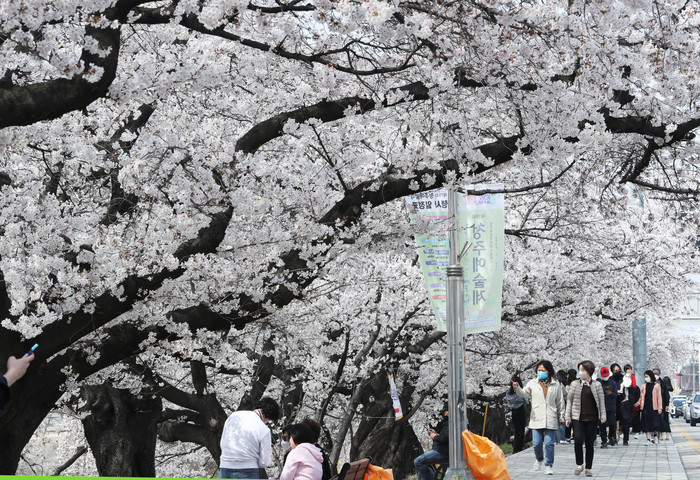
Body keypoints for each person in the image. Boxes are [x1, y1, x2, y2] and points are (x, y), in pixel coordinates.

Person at [512, 360, 565, 476]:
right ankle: (539, 459)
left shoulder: (556, 384)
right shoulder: (532, 383)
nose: (540, 372)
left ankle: (549, 465)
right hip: (536, 417)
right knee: (536, 443)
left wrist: (562, 417)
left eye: (543, 370)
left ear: (549, 371)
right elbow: (524, 394)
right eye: (539, 370)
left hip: (551, 416)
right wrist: (517, 388)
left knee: (549, 443)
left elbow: (560, 402)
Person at [219, 397, 281, 479]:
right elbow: (265, 462)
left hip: (225, 465)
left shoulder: (234, 416)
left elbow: (222, 443)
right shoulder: (263, 429)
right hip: (248, 469)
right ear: (269, 416)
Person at [565, 360, 606, 477]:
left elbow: (601, 402)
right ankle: (579, 464)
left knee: (589, 443)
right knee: (577, 440)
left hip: (592, 418)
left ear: (589, 371)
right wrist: (567, 417)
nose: (580, 372)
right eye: (580, 370)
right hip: (577, 417)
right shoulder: (574, 384)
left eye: (583, 370)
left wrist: (603, 415)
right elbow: (569, 401)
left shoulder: (596, 385)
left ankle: (588, 468)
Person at [414, 403, 449, 480]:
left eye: (444, 412)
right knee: (423, 464)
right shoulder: (450, 423)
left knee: (418, 462)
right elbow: (446, 437)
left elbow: (444, 439)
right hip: (442, 450)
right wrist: (436, 434)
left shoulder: (451, 424)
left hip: (442, 452)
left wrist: (435, 436)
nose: (444, 414)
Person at [636, 370, 662, 445]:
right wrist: (638, 403)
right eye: (645, 377)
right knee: (646, 423)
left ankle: (655, 437)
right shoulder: (644, 386)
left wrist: (660, 408)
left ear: (651, 376)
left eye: (647, 376)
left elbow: (659, 398)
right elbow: (641, 396)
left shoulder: (657, 386)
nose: (646, 378)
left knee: (655, 424)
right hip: (645, 407)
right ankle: (648, 439)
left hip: (654, 407)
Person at [506, 375, 529, 453]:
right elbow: (526, 400)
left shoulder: (509, 392)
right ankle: (519, 447)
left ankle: (515, 448)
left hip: (513, 411)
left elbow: (508, 401)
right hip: (521, 410)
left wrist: (513, 404)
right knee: (521, 430)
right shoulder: (519, 391)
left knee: (516, 430)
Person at [597, 366, 618, 448]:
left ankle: (611, 437)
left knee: (612, 424)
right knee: (602, 425)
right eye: (604, 376)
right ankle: (604, 441)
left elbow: (616, 395)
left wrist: (610, 393)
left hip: (611, 407)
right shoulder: (599, 384)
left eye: (606, 375)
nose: (605, 377)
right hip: (601, 407)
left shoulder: (613, 383)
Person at [617, 371, 634, 445]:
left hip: (625, 404)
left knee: (625, 422)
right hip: (619, 403)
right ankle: (617, 438)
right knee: (618, 422)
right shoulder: (621, 382)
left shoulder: (629, 383)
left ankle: (625, 439)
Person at [556, 369, 569, 444]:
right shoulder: (561, 385)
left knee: (555, 422)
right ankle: (561, 438)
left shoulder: (555, 383)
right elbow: (566, 395)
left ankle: (556, 438)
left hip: (554, 405)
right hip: (561, 404)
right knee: (561, 420)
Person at [660, 376, 673, 441]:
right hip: (668, 407)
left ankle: (661, 435)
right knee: (666, 420)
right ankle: (667, 435)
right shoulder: (670, 389)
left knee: (661, 420)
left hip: (663, 406)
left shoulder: (663, 389)